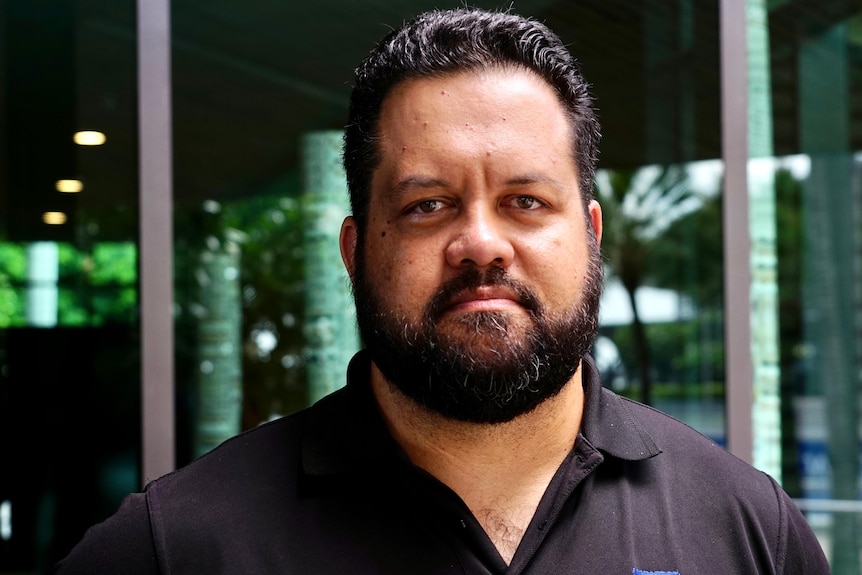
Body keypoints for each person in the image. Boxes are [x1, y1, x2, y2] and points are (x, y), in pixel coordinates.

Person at [55, 7, 831, 574]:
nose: (482, 243)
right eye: (427, 204)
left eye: (526, 199)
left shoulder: (748, 530)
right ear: (356, 253)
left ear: (591, 235)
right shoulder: (177, 546)